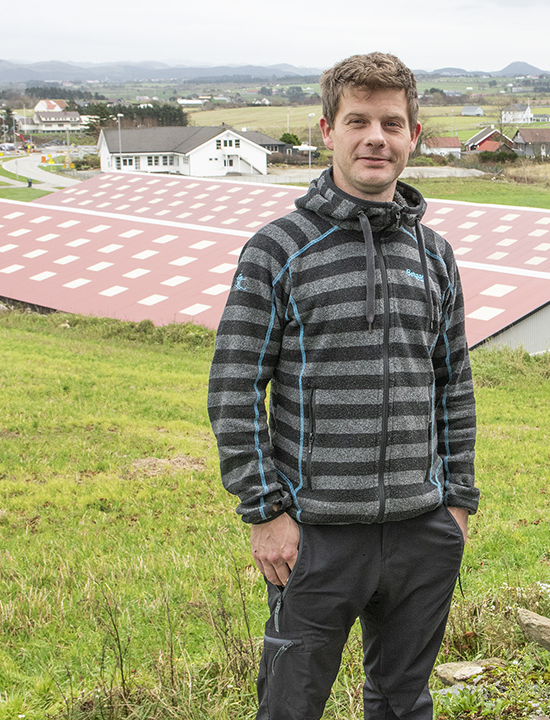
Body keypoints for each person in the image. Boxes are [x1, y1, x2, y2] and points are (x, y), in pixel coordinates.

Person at [208, 52, 477, 720]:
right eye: (358, 121)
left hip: (421, 531)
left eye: (392, 123)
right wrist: (265, 512)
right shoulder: (278, 249)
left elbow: (453, 384)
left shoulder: (434, 254)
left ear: (414, 135)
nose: (375, 138)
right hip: (314, 536)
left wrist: (457, 503)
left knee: (403, 702)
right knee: (290, 706)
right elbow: (234, 389)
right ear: (328, 130)